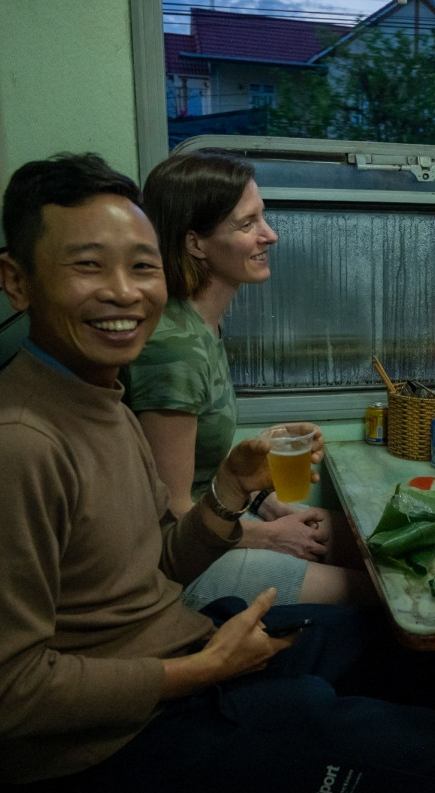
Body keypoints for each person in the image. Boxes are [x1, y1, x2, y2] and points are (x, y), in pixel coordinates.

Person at [0, 152, 435, 793]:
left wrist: (228, 491)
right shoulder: (6, 452)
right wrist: (204, 669)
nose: (124, 292)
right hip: (115, 747)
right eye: (88, 266)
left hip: (183, 653)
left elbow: (161, 561)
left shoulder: (99, 396)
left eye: (141, 266)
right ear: (16, 281)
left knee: (405, 646)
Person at [127, 150, 370, 610]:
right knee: (382, 598)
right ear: (196, 243)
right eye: (247, 224)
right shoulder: (174, 349)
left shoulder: (204, 325)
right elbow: (172, 513)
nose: (270, 234)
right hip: (183, 568)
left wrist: (264, 504)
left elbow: (203, 472)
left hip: (226, 520)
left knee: (378, 545)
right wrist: (268, 535)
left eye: (262, 217)